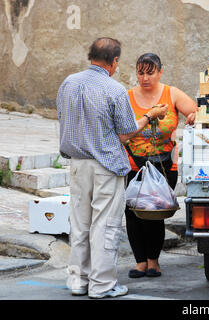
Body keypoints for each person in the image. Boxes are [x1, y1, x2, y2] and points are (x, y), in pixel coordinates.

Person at [57, 38, 168, 299]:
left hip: (77, 164)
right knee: (104, 226)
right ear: (114, 61)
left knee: (80, 224)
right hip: (105, 165)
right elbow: (127, 133)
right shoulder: (114, 89)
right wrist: (150, 115)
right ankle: (102, 285)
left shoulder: (68, 83)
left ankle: (78, 281)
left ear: (90, 55)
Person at [124, 53, 197, 278]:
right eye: (140, 73)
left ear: (160, 72)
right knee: (134, 214)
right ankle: (140, 262)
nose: (145, 78)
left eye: (150, 72)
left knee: (155, 213)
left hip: (165, 167)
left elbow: (195, 111)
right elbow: (122, 130)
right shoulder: (126, 97)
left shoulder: (171, 93)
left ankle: (153, 261)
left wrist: (193, 116)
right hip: (135, 167)